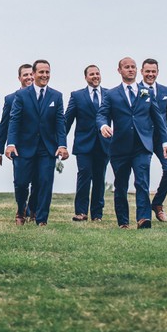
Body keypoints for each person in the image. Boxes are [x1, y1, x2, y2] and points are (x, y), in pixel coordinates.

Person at [96, 56, 167, 229]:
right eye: (127, 67)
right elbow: (101, 114)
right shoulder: (111, 94)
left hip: (142, 146)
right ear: (119, 71)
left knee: (142, 182)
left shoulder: (147, 92)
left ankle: (144, 218)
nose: (131, 69)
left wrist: (166, 142)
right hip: (119, 146)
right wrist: (103, 126)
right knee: (121, 185)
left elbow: (158, 119)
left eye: (133, 67)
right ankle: (123, 221)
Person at [5, 59, 68, 225]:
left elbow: (60, 123)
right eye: (41, 72)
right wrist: (10, 143)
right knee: (21, 183)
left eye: (47, 72)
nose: (45, 75)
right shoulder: (21, 95)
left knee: (45, 183)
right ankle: (21, 210)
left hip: (47, 148)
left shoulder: (57, 96)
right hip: (23, 147)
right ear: (33, 74)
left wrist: (62, 145)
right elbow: (14, 121)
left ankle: (41, 219)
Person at [65, 64, 110, 222]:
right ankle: (81, 212)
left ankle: (97, 214)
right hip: (84, 144)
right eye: (92, 74)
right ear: (86, 77)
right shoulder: (77, 96)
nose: (95, 76)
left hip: (104, 144)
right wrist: (60, 142)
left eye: (97, 73)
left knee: (99, 178)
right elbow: (67, 121)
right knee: (84, 175)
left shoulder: (109, 94)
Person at [139, 58, 167, 222]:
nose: (150, 74)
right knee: (143, 173)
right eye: (147, 71)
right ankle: (143, 213)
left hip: (164, 139)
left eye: (153, 71)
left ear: (157, 72)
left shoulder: (165, 91)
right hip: (144, 137)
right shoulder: (137, 90)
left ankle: (157, 203)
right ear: (142, 72)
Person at [0, 63, 38, 219]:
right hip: (19, 148)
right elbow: (3, 126)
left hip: (40, 147)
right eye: (25, 75)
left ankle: (33, 209)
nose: (29, 77)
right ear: (19, 78)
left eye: (31, 74)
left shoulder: (45, 96)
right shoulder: (11, 99)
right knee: (21, 182)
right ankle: (21, 209)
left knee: (39, 182)